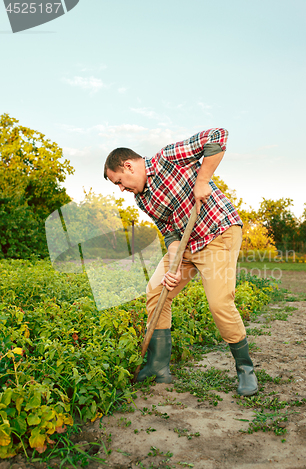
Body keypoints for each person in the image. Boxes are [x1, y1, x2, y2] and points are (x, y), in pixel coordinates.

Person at [103, 129, 258, 396]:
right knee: (157, 289)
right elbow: (170, 232)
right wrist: (173, 267)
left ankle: (245, 369)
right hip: (186, 246)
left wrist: (203, 180)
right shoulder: (142, 198)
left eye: (119, 181)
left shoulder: (167, 158)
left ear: (128, 166)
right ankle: (159, 366)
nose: (121, 189)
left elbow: (217, 136)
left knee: (220, 302)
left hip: (217, 233)